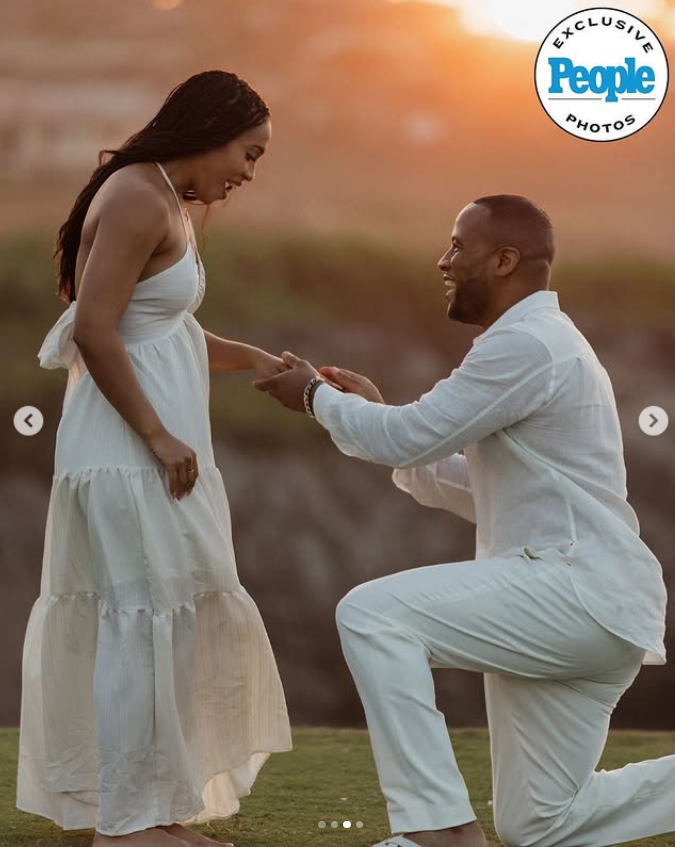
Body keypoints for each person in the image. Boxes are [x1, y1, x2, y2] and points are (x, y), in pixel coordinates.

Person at [253, 194, 672, 847]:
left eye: (458, 246)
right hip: (592, 601)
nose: (442, 260)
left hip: (576, 592)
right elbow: (474, 485)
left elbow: (406, 436)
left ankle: (437, 833)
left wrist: (313, 396)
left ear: (504, 260)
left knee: (373, 614)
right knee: (540, 822)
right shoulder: (536, 343)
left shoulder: (525, 344)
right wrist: (370, 413)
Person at [17, 70, 293, 847]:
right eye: (249, 151)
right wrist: (158, 435)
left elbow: (163, 329)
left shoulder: (165, 198)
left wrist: (258, 360)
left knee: (167, 623)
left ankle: (154, 809)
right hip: (126, 453)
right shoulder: (139, 196)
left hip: (153, 453)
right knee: (142, 621)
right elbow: (96, 329)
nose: (248, 171)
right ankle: (127, 828)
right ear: (209, 130)